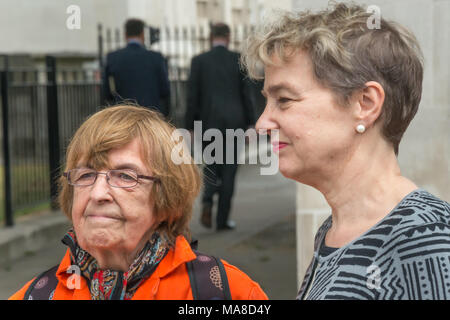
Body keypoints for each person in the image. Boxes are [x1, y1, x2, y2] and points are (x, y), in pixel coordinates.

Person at [242, 3, 450, 300]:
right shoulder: (333, 231)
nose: (263, 122)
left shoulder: (427, 240)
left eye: (284, 100)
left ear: (365, 104)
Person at [9, 105, 268, 300]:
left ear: (168, 199)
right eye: (86, 175)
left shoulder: (227, 293)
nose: (98, 193)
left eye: (124, 176)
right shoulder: (34, 295)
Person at [186, 23, 255, 231]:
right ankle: (222, 221)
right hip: (235, 123)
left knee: (211, 166)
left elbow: (192, 97)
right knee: (229, 172)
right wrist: (251, 122)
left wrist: (189, 126)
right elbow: (246, 94)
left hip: (209, 123)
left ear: (211, 37)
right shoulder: (238, 59)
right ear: (228, 37)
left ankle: (207, 200)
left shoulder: (199, 61)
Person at [103, 19, 171, 117]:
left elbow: (107, 93)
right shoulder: (156, 58)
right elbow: (165, 91)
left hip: (123, 117)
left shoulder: (112, 58)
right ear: (142, 34)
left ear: (125, 35)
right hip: (151, 117)